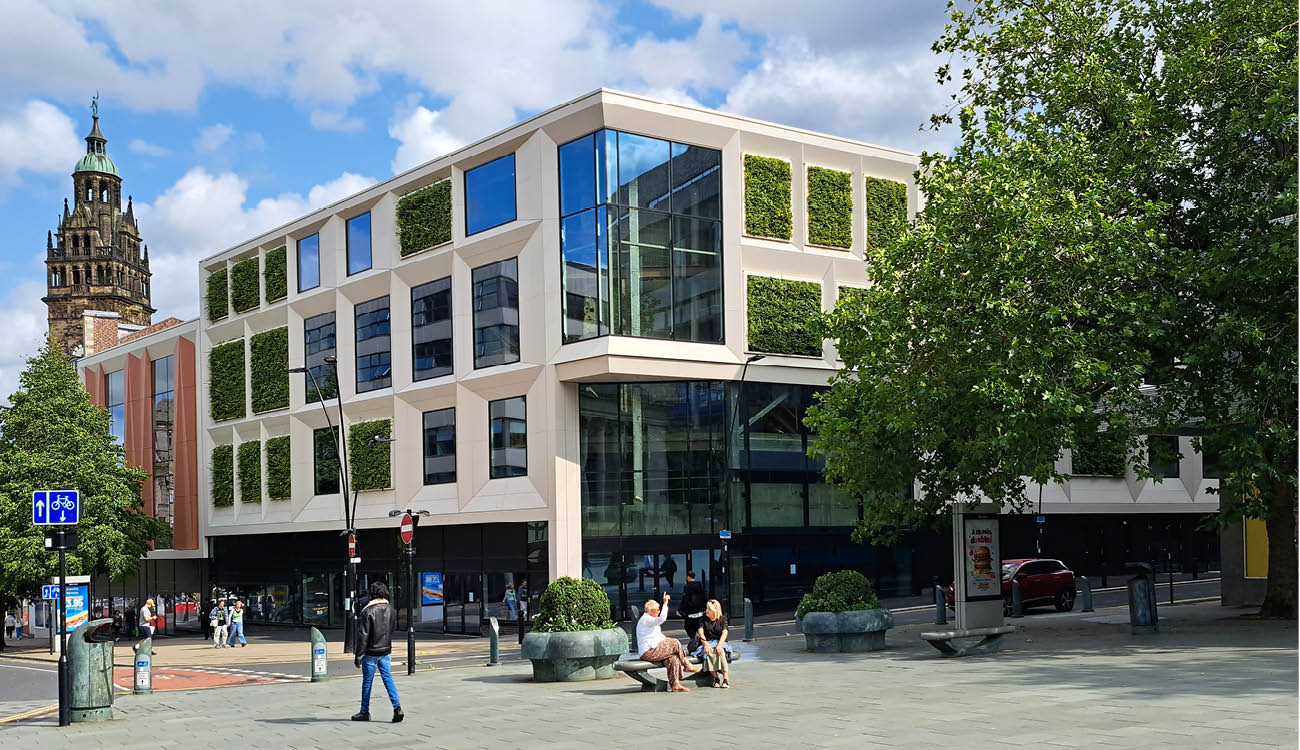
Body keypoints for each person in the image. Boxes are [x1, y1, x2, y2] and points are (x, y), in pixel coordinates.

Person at [353, 581, 402, 723]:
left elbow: (363, 636)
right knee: (388, 678)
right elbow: (391, 629)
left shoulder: (367, 611)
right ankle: (397, 707)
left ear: (372, 594)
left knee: (367, 682)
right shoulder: (390, 609)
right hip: (386, 650)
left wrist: (358, 656)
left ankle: (364, 712)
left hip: (371, 653)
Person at [636, 592, 700, 693]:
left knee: (673, 658)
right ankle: (687, 664)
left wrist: (667, 641)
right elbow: (662, 619)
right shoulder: (646, 619)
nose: (658, 611)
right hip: (648, 651)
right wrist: (665, 603)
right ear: (651, 611)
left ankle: (675, 684)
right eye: (657, 610)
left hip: (655, 649)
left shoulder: (651, 620)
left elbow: (660, 637)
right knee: (675, 642)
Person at [693, 599, 733, 688]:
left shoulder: (722, 619)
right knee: (709, 653)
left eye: (708, 609)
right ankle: (716, 678)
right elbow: (701, 633)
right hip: (707, 642)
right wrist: (705, 645)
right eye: (706, 608)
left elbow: (724, 633)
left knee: (720, 652)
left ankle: (726, 678)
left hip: (720, 642)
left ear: (715, 610)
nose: (706, 610)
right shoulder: (703, 619)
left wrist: (719, 645)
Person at [678, 571, 707, 647]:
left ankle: (693, 639)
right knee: (699, 627)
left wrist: (680, 610)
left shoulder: (687, 587)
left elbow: (685, 599)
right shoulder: (700, 585)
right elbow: (704, 597)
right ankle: (700, 640)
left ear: (688, 577)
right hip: (700, 611)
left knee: (688, 627)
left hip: (691, 611)